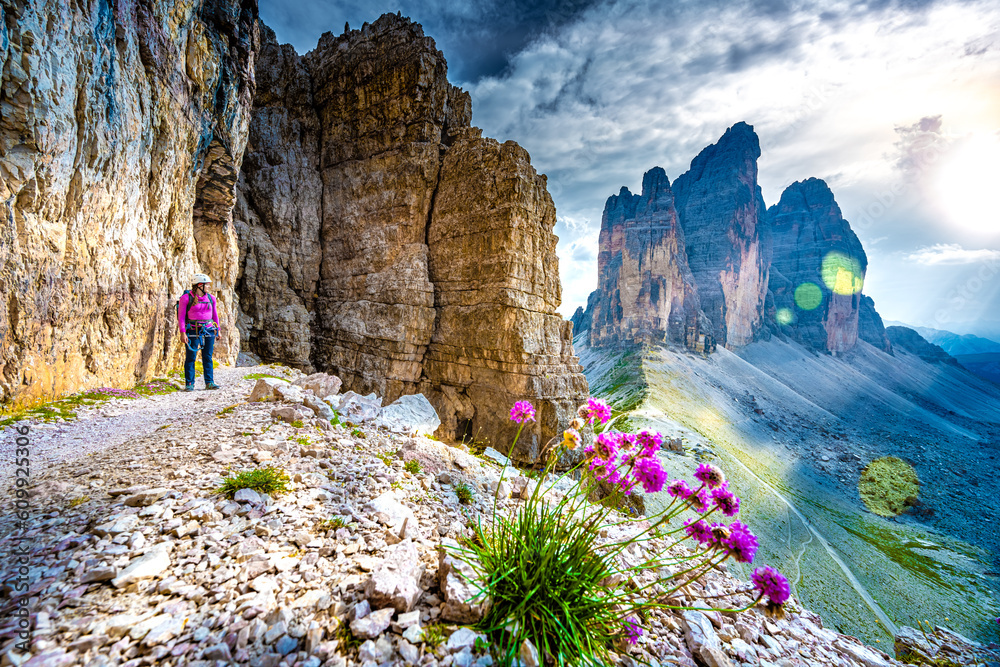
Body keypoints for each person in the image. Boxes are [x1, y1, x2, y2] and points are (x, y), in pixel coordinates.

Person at [179, 274, 221, 391]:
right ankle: (189, 383)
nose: (209, 287)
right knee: (191, 357)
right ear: (200, 285)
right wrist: (183, 332)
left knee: (207, 356)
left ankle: (209, 382)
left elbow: (215, 315)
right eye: (207, 284)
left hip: (208, 329)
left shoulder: (211, 298)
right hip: (192, 329)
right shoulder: (186, 298)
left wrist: (218, 330)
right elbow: (181, 317)